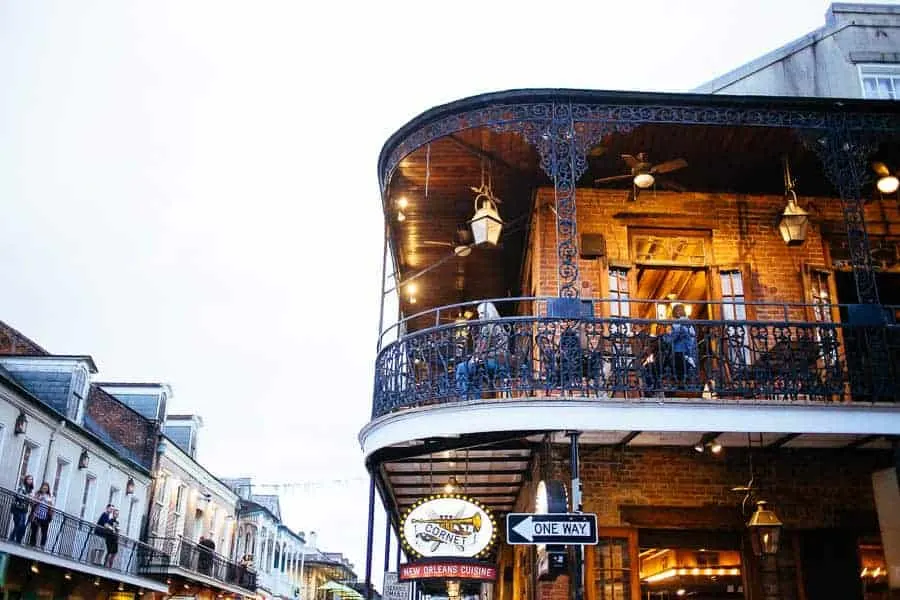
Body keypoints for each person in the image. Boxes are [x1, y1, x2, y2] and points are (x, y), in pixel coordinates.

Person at [454, 302, 508, 397]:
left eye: (482, 313)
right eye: (479, 314)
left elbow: (482, 348)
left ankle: (465, 397)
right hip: (499, 362)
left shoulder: (488, 328)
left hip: (494, 362)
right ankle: (473, 397)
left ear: (489, 313)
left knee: (462, 367)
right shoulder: (498, 327)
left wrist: (476, 358)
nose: (480, 316)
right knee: (473, 368)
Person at [665, 304, 698, 384]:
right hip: (689, 349)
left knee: (678, 368)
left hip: (680, 350)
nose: (678, 312)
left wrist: (666, 338)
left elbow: (674, 336)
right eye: (677, 310)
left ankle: (679, 384)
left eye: (678, 310)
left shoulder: (679, 322)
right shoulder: (688, 321)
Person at [28, 481, 54, 548]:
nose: (45, 489)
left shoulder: (50, 496)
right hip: (36, 515)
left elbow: (52, 508)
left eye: (46, 488)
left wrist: (49, 502)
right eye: (44, 487)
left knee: (44, 532)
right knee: (34, 530)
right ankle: (32, 544)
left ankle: (42, 546)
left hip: (45, 517)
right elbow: (33, 503)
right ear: (41, 487)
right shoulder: (38, 494)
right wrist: (39, 499)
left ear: (48, 489)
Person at [10, 474, 34, 543]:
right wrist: (28, 497)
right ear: (26, 480)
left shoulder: (30, 489)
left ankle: (16, 539)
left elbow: (29, 500)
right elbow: (19, 496)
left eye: (31, 479)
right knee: (19, 524)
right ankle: (14, 539)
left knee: (20, 525)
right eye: (29, 479)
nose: (30, 481)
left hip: (24, 509)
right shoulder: (22, 487)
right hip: (18, 508)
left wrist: (30, 499)